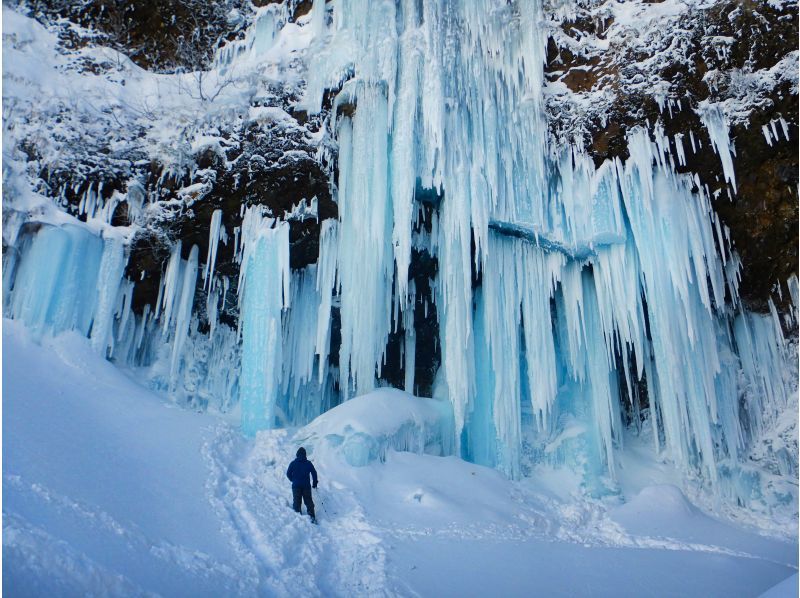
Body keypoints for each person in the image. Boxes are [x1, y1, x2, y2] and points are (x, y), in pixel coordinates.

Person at [286, 447, 318, 523]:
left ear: (297, 454)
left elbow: (288, 474)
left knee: (297, 501)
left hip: (296, 486)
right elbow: (314, 473)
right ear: (305, 455)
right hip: (306, 486)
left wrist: (293, 480)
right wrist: (314, 483)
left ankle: (298, 518)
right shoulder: (308, 463)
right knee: (308, 501)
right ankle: (312, 517)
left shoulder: (293, 463)